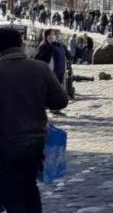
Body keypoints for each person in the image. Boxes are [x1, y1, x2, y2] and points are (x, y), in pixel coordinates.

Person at [0, 28, 68, 213]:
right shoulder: (40, 68)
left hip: (5, 143)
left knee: (10, 191)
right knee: (29, 187)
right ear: (20, 44)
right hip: (35, 141)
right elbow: (60, 101)